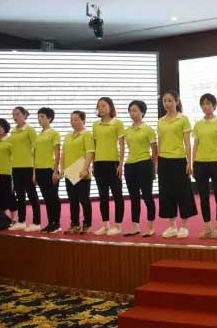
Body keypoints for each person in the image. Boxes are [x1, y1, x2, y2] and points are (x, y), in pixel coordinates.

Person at [157, 90, 198, 238]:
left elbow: (187, 143)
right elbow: (160, 142)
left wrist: (189, 162)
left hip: (179, 160)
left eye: (170, 100)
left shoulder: (183, 119)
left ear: (177, 101)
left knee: (183, 192)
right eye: (164, 101)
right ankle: (172, 226)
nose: (167, 103)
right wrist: (158, 162)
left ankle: (184, 226)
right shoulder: (160, 121)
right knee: (167, 193)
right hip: (164, 160)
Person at [192, 93, 217, 239]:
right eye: (203, 104)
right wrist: (193, 162)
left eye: (208, 103)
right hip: (200, 163)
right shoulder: (198, 124)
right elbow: (195, 145)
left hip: (216, 162)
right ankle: (207, 227)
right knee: (203, 197)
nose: (205, 106)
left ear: (214, 105)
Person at [123, 100, 157, 237]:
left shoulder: (148, 129)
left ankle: (150, 226)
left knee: (147, 196)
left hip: (144, 164)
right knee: (134, 197)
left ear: (142, 112)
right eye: (130, 111)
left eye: (135, 110)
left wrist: (154, 167)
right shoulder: (127, 131)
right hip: (130, 165)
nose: (133, 113)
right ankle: (135, 226)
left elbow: (155, 150)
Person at [92, 97, 125, 236]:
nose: (101, 108)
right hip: (99, 164)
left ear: (110, 107)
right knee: (103, 196)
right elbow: (94, 146)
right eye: (99, 106)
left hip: (113, 163)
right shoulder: (95, 125)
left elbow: (122, 145)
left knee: (117, 195)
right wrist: (93, 164)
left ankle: (118, 226)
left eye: (104, 106)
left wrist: (121, 164)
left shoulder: (117, 123)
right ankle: (105, 225)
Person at [61, 111, 95, 235]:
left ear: (83, 120)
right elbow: (63, 154)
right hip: (70, 171)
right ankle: (75, 224)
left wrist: (85, 169)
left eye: (76, 119)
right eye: (71, 119)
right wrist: (61, 169)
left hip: (81, 171)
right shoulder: (68, 136)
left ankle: (87, 224)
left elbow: (90, 152)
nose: (73, 122)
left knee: (84, 199)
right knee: (73, 200)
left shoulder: (86, 135)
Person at [9, 106, 41, 231]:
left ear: (24, 115)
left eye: (17, 114)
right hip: (15, 167)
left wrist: (35, 169)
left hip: (28, 166)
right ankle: (21, 221)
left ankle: (37, 222)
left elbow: (36, 149)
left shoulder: (30, 130)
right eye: (13, 114)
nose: (15, 117)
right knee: (20, 195)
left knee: (32, 195)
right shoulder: (13, 131)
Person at [34, 107, 62, 233]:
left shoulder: (54, 133)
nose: (39, 119)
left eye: (42, 116)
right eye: (38, 116)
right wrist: (34, 173)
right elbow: (35, 155)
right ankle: (50, 222)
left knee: (53, 197)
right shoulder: (38, 135)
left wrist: (55, 171)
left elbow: (57, 153)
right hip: (39, 170)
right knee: (46, 198)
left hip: (49, 169)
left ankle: (56, 223)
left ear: (49, 118)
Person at [0, 118, 16, 220]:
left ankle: (14, 218)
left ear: (5, 127)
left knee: (9, 196)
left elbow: (15, 156)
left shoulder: (10, 140)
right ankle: (4, 219)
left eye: (1, 126)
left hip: (7, 172)